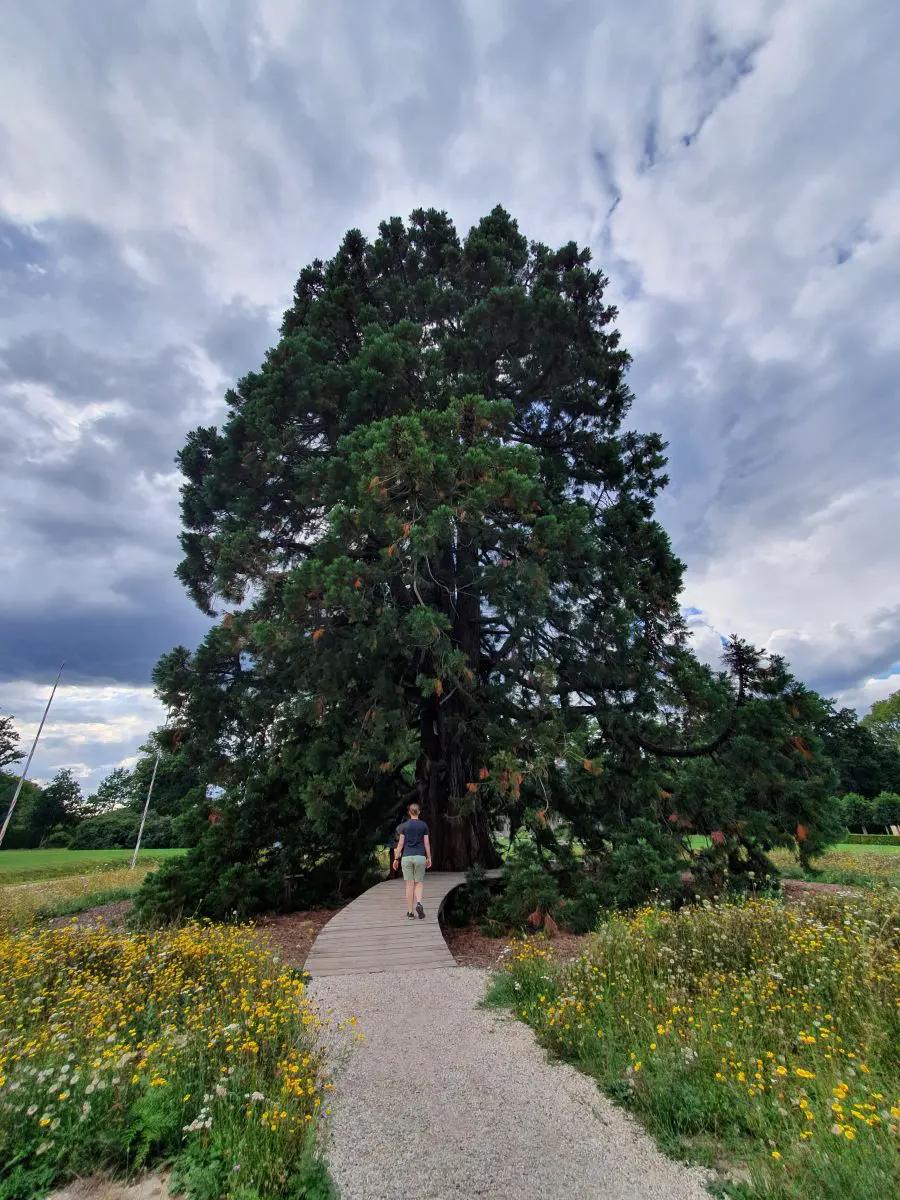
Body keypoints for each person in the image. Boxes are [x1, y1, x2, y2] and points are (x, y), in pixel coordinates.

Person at [393, 802, 431, 919]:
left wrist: (396, 858)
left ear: (409, 812)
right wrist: (429, 857)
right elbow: (426, 843)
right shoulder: (423, 825)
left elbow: (400, 844)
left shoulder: (404, 826)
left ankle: (410, 913)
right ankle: (419, 903)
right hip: (420, 857)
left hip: (407, 857)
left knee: (409, 885)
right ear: (419, 812)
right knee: (418, 883)